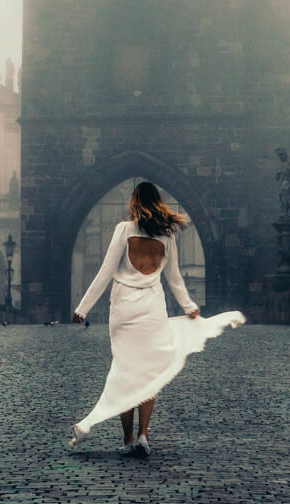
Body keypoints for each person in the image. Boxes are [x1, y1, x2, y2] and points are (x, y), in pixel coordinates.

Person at [70, 181, 245, 457]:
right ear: (158, 202)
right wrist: (188, 306)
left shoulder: (123, 230)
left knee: (126, 372)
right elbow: (174, 278)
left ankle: (127, 440)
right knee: (148, 373)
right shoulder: (167, 236)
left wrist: (83, 308)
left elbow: (105, 272)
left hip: (124, 310)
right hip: (152, 308)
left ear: (134, 202)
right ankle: (143, 435)